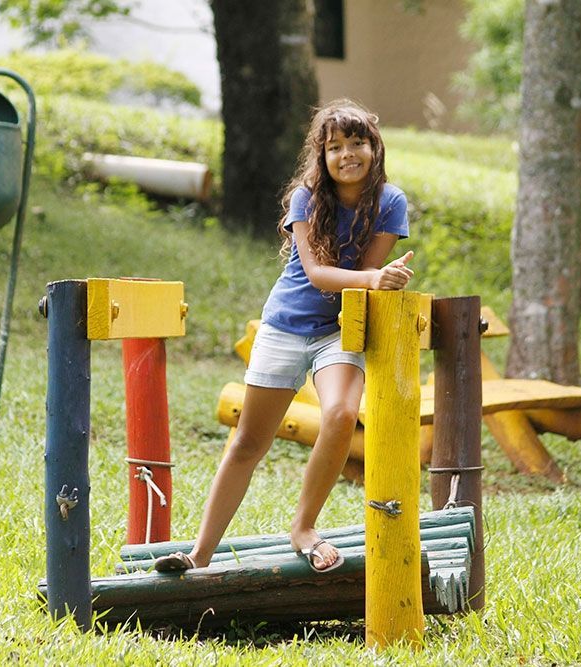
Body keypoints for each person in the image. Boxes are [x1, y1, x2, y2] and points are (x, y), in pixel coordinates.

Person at [155, 99, 414, 574]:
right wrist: (375, 279)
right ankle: (200, 553)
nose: (347, 154)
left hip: (340, 329)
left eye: (357, 143)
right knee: (249, 442)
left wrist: (383, 279)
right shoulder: (308, 198)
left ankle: (304, 528)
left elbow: (365, 271)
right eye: (335, 147)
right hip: (286, 326)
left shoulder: (390, 202)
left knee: (339, 414)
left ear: (375, 148)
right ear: (322, 156)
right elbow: (318, 273)